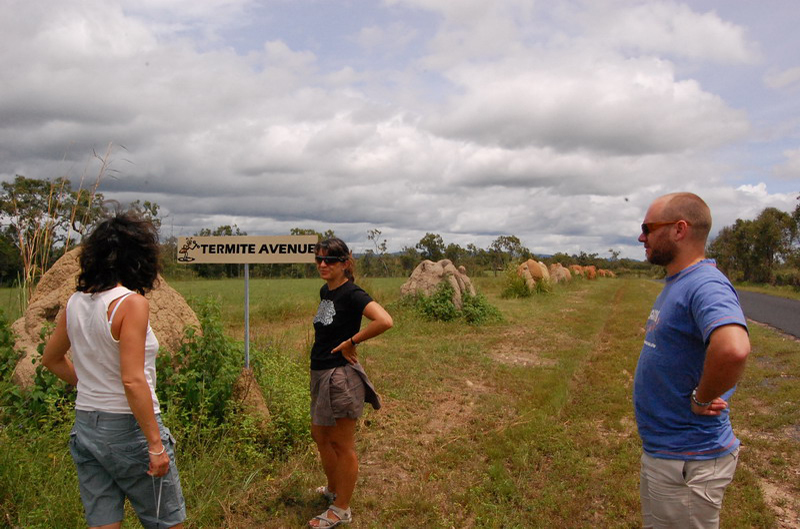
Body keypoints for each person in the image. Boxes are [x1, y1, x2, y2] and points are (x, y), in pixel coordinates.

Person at [42, 208, 186, 529]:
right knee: (166, 520)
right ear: (138, 258)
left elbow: (50, 359)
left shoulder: (74, 303)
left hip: (86, 426)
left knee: (104, 522)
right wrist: (155, 445)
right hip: (128, 428)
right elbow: (133, 381)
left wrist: (89, 385)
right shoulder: (130, 304)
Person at [634, 192, 750, 528]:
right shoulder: (680, 281)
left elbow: (733, 348)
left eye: (648, 227)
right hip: (669, 455)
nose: (642, 236)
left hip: (687, 461)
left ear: (679, 229)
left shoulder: (705, 283)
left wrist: (701, 398)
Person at [307, 237, 393, 528]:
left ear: (345, 263)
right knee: (320, 436)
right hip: (320, 372)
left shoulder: (353, 294)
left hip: (339, 376)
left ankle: (341, 508)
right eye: (319, 259)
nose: (322, 264)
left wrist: (352, 341)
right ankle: (333, 490)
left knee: (342, 444)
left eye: (329, 260)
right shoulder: (326, 290)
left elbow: (384, 320)